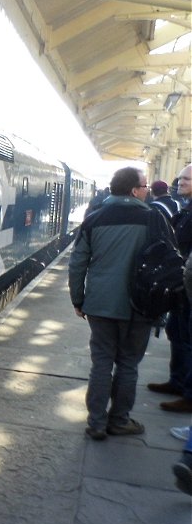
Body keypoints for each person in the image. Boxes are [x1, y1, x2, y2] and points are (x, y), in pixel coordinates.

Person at [69, 166, 173, 440]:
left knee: (101, 362)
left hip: (101, 305)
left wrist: (78, 298)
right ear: (133, 190)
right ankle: (119, 421)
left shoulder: (93, 219)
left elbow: (78, 263)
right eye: (145, 186)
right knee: (128, 364)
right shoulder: (155, 218)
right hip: (140, 306)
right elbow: (169, 263)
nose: (147, 191)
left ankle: (96, 423)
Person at [150, 164, 192, 413]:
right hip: (181, 285)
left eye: (186, 179)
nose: (180, 182)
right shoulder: (187, 209)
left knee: (188, 339)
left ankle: (189, 394)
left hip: (190, 287)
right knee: (176, 333)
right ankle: (177, 382)